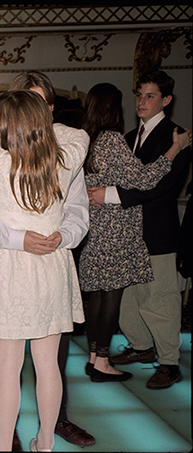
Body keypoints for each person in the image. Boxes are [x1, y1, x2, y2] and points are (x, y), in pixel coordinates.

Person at [0, 71, 95, 449]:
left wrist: (67, 235)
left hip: (15, 268)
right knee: (46, 366)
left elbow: (79, 212)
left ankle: (1, 446)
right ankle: (44, 443)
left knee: (13, 366)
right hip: (47, 267)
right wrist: (40, 125)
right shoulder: (68, 156)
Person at [88, 70, 192, 389]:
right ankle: (141, 347)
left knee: (159, 300)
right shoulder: (127, 135)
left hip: (157, 231)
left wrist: (112, 195)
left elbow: (163, 186)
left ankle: (169, 363)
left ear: (166, 100)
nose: (142, 101)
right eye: (139, 95)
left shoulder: (177, 137)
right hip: (125, 235)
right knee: (129, 301)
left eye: (150, 95)